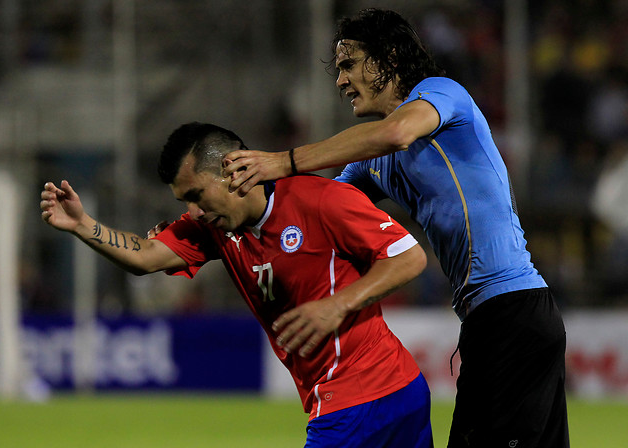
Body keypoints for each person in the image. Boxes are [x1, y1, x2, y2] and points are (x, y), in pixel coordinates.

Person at [223, 8, 569, 448]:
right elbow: (317, 210)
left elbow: (399, 131)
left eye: (349, 63)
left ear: (387, 59)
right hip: (492, 319)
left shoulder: (442, 94)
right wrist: (221, 212)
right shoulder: (372, 159)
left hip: (513, 312)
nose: (340, 79)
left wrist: (283, 160)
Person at [40, 122, 432, 448]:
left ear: (231, 169)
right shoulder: (211, 229)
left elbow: (409, 257)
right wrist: (81, 224)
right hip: (361, 397)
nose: (193, 212)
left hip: (363, 399)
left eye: (196, 195)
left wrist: (337, 304)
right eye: (184, 201)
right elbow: (145, 256)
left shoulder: (321, 200)